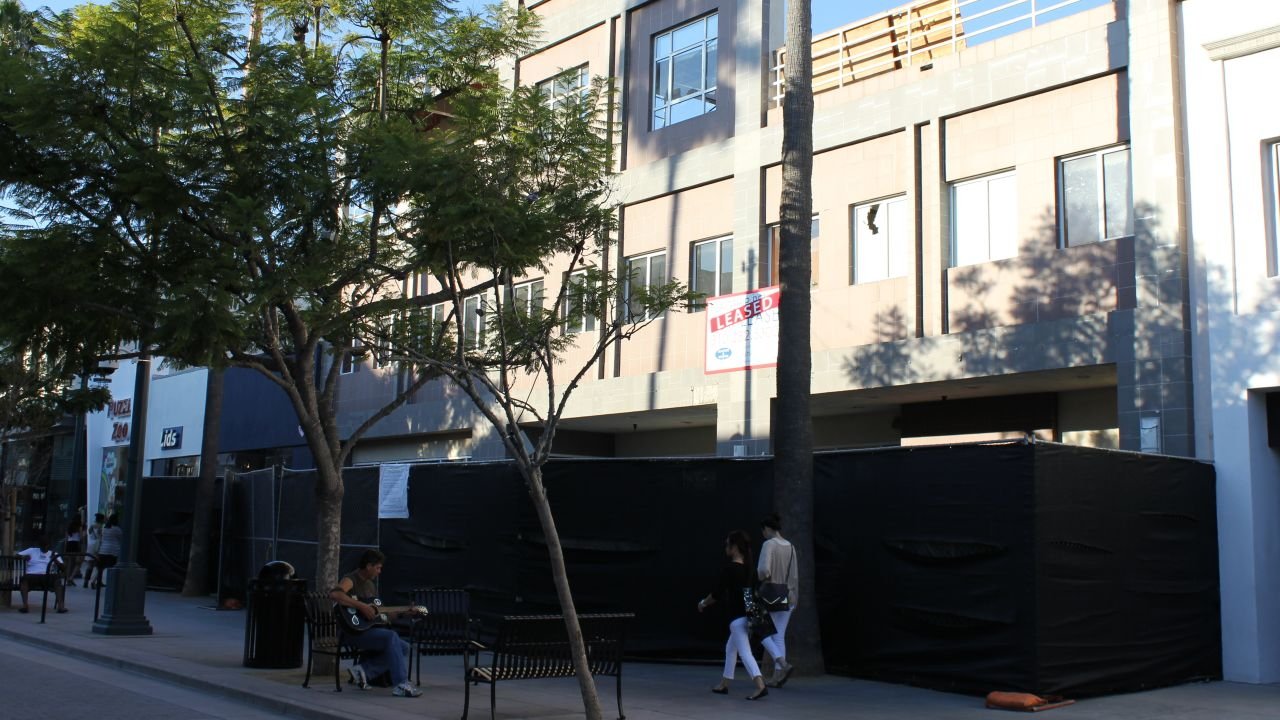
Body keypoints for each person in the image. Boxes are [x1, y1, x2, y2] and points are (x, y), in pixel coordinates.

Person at [329, 549, 422, 698]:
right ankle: (402, 684)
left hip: (366, 630)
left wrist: (404, 612)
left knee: (404, 647)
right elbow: (335, 594)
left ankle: (364, 671)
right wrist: (362, 606)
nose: (380, 571)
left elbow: (381, 616)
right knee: (391, 637)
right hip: (352, 632)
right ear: (368, 566)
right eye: (378, 567)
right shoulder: (351, 579)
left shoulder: (371, 585)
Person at [697, 529, 768, 701]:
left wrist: (702, 603)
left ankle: (760, 686)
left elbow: (716, 594)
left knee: (745, 653)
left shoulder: (730, 569)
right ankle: (724, 684)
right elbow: (748, 595)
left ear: (734, 547)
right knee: (731, 649)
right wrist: (751, 618)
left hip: (737, 618)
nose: (725, 547)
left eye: (727, 544)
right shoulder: (749, 569)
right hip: (746, 616)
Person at [758, 513, 798, 687]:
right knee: (778, 635)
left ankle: (782, 666)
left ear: (767, 529)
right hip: (788, 595)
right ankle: (778, 675)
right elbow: (794, 575)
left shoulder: (769, 544)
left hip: (771, 594)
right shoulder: (791, 546)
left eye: (763, 531)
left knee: (764, 632)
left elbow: (763, 570)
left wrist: (763, 577)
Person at [16, 536, 67, 614]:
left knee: (57, 581)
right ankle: (25, 606)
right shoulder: (32, 550)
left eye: (46, 545)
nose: (45, 547)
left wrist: (55, 559)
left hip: (47, 575)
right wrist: (23, 557)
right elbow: (17, 555)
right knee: (24, 580)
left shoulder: (54, 554)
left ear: (49, 545)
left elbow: (63, 568)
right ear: (39, 545)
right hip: (32, 575)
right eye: (43, 545)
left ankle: (61, 607)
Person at [94, 514, 123, 588]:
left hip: (103, 550)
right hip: (113, 550)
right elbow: (121, 538)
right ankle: (111, 583)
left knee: (101, 568)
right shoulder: (117, 529)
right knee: (112, 567)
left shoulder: (105, 528)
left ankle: (96, 581)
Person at [82, 512, 105, 590]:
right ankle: (94, 581)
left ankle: (86, 581)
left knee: (90, 565)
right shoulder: (100, 527)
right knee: (99, 566)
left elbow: (88, 533)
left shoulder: (91, 525)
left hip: (90, 545)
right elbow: (100, 537)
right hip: (97, 546)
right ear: (101, 519)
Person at [64, 516, 84, 587]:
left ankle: (67, 579)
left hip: (69, 544)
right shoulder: (79, 527)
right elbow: (81, 538)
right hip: (76, 544)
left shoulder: (69, 527)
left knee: (69, 563)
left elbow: (66, 539)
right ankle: (71, 577)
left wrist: (65, 549)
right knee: (78, 562)